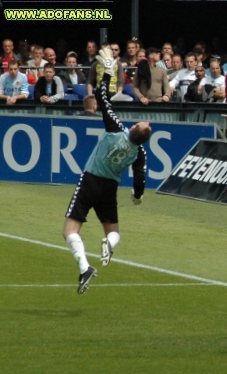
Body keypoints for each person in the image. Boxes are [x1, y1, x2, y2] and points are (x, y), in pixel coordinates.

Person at [63, 48, 151, 294]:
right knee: (114, 233)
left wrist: (107, 74)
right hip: (109, 188)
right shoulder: (139, 153)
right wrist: (137, 195)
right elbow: (140, 177)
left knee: (70, 231)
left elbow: (102, 98)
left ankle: (84, 268)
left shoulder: (115, 130)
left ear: (133, 128)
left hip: (90, 180)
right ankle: (107, 246)